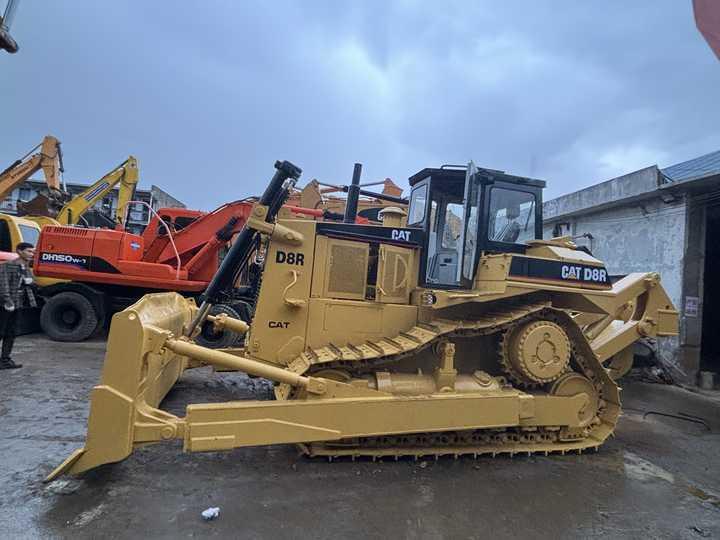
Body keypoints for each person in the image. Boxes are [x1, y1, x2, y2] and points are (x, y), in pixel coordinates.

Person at [0, 242, 37, 369]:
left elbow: (32, 282)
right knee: (1, 331)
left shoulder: (25, 267)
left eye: (32, 252)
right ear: (19, 251)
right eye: (28, 251)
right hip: (6, 305)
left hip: (18, 304)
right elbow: (3, 284)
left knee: (12, 332)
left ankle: (5, 360)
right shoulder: (7, 266)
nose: (31, 254)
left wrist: (30, 281)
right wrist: (7, 301)